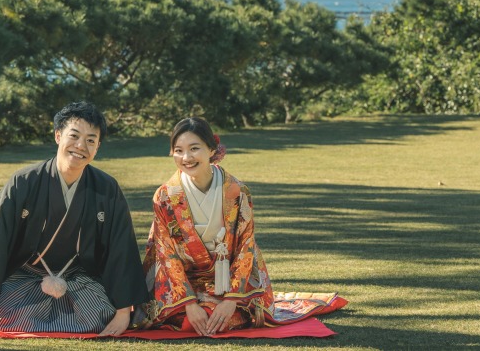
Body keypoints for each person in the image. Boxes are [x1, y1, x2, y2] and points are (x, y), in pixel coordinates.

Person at [139, 116, 343, 335]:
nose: (186, 157)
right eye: (178, 150)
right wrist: (188, 304)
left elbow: (246, 247)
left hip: (226, 281)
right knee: (187, 321)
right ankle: (195, 308)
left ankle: (221, 307)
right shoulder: (165, 196)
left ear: (211, 149)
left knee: (227, 318)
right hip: (184, 282)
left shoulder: (236, 191)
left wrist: (231, 300)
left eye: (194, 148)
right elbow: (165, 253)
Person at [0, 101, 148, 335]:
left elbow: (122, 248)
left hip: (79, 279)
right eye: (74, 136)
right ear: (58, 136)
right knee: (6, 316)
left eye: (91, 140)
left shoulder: (107, 188)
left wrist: (122, 313)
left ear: (98, 147)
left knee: (100, 315)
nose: (81, 146)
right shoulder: (24, 182)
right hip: (25, 275)